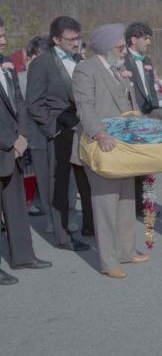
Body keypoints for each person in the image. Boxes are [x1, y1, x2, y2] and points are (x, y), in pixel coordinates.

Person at [72, 24, 150, 279]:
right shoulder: (86, 69)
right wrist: (100, 134)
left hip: (124, 148)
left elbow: (131, 103)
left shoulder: (119, 69)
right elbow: (84, 107)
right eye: (120, 47)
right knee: (105, 205)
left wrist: (140, 123)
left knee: (126, 200)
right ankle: (108, 261)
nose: (125, 51)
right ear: (106, 48)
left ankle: (127, 251)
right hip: (101, 145)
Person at [25, 16, 94, 252]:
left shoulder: (79, 59)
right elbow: (33, 103)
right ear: (56, 39)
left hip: (80, 130)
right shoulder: (41, 63)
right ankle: (62, 237)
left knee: (79, 184)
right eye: (71, 39)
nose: (76, 43)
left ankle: (88, 226)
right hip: (58, 133)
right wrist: (53, 129)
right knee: (59, 187)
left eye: (78, 37)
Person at [0, 19, 52, 285]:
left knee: (16, 206)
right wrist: (9, 140)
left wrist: (22, 135)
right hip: (4, 144)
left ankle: (23, 256)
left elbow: (19, 101)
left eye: (4, 35)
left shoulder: (6, 63)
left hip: (14, 147)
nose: (4, 41)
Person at [123, 22, 162, 217]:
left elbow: (150, 89)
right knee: (134, 165)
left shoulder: (147, 60)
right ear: (133, 40)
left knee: (149, 165)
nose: (148, 42)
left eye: (149, 38)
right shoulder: (122, 61)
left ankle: (149, 204)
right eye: (145, 38)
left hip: (150, 118)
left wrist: (158, 111)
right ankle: (133, 205)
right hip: (132, 119)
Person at [17, 37, 52, 218]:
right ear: (29, 57)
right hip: (30, 137)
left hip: (51, 134)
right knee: (36, 176)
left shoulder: (52, 76)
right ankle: (42, 211)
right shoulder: (20, 79)